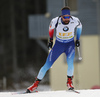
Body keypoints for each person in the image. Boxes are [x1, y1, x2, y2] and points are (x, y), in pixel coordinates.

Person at [26, 6, 82, 93]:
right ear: (61, 16)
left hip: (70, 45)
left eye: (68, 17)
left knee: (70, 63)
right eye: (65, 17)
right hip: (58, 45)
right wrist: (51, 40)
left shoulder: (75, 20)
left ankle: (69, 82)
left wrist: (77, 39)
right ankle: (35, 85)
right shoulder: (55, 21)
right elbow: (51, 29)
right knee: (47, 65)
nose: (67, 19)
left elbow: (79, 27)